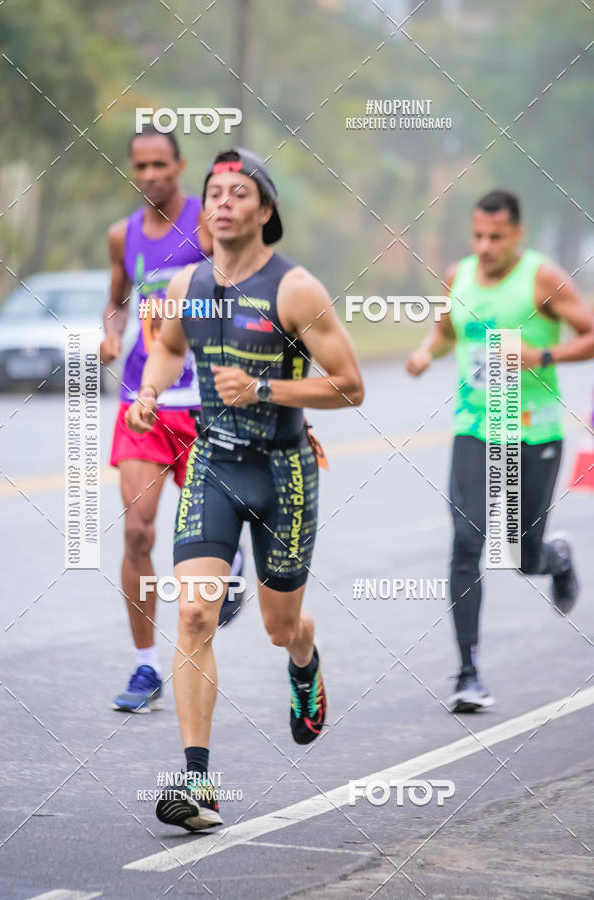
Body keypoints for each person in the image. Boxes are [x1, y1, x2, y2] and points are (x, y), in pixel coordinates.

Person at [126, 147, 364, 830]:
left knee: (276, 625)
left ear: (265, 209)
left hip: (283, 472)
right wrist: (148, 391)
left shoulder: (296, 290)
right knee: (195, 614)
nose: (224, 202)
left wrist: (265, 387)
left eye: (239, 192)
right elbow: (170, 347)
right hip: (214, 464)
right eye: (215, 192)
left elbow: (350, 387)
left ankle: (304, 655)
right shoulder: (186, 286)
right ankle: (197, 783)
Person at [407, 189, 594, 713]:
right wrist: (426, 352)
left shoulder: (541, 278)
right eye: (478, 236)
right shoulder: (458, 276)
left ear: (518, 234)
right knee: (467, 541)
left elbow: (590, 333)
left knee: (519, 556)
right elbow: (446, 333)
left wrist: (543, 353)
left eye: (496, 237)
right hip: (475, 427)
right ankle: (467, 672)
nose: (485, 247)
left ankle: (554, 559)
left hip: (532, 432)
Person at [100, 126, 243, 715]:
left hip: (205, 402)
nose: (151, 174)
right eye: (141, 165)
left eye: (161, 163)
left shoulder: (209, 225)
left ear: (180, 165)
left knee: (211, 529)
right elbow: (117, 300)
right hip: (146, 398)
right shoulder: (122, 236)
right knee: (137, 531)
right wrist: (111, 335)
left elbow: (241, 284)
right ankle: (145, 666)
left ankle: (231, 562)